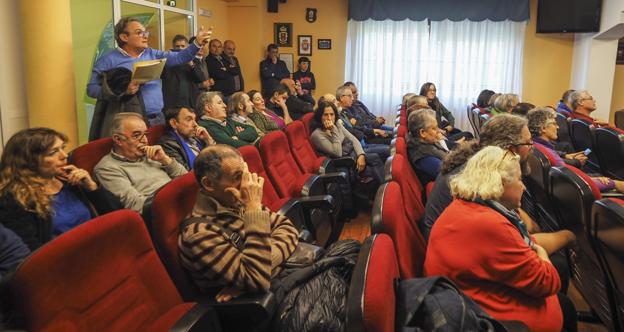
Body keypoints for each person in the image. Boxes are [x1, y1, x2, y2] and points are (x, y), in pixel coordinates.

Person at [425, 146, 575, 332]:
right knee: (564, 301)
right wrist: (542, 254)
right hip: (485, 317)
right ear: (501, 183)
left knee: (561, 286)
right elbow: (547, 282)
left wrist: (566, 237)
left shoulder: (470, 205)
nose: (523, 186)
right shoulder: (489, 223)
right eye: (519, 180)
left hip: (468, 295)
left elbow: (521, 242)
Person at [178, 145, 299, 299]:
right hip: (267, 307)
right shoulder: (198, 234)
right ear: (209, 184)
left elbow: (288, 229)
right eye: (237, 177)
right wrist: (254, 208)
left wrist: (263, 266)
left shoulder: (236, 201)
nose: (246, 184)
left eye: (246, 174)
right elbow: (257, 279)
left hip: (286, 281)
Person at [0, 128, 120, 250]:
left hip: (97, 248)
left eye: (63, 148)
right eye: (53, 152)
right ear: (29, 161)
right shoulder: (14, 199)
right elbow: (29, 254)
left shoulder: (69, 180)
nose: (64, 156)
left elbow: (118, 214)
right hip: (62, 262)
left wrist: (93, 187)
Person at [87, 17, 212, 126]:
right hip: (130, 122)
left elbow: (180, 57)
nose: (145, 36)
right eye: (139, 33)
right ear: (124, 37)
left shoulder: (152, 53)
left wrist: (197, 43)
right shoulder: (107, 60)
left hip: (158, 117)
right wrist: (122, 91)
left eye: (145, 32)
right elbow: (92, 89)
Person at [94, 113, 187, 212]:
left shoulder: (152, 155)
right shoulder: (107, 168)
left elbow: (185, 177)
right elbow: (136, 206)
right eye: (137, 135)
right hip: (161, 211)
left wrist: (165, 159)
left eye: (145, 134)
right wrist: (175, 196)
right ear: (118, 139)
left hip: (182, 200)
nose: (145, 141)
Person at [527, 107, 624, 193]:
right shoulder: (552, 157)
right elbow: (573, 182)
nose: (558, 127)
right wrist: (613, 183)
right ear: (543, 128)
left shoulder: (535, 146)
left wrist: (565, 156)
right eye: (554, 124)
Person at [309, 101, 385, 186]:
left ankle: (385, 189)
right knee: (371, 170)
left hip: (351, 154)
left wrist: (361, 155)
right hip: (340, 162)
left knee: (375, 158)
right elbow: (337, 153)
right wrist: (333, 130)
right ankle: (384, 190)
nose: (329, 118)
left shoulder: (337, 124)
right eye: (325, 115)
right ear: (320, 116)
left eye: (332, 114)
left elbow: (352, 138)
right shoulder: (317, 134)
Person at [161, 35, 208, 109]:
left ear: (187, 47)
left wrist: (191, 64)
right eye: (177, 46)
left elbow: (201, 78)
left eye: (183, 46)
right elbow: (160, 75)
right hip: (172, 103)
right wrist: (165, 59)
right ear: (173, 47)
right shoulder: (167, 61)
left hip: (190, 102)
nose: (180, 48)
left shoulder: (193, 59)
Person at [406, 109, 450, 185]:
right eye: (434, 128)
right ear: (423, 133)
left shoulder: (426, 142)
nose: (439, 131)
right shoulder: (424, 157)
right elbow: (450, 177)